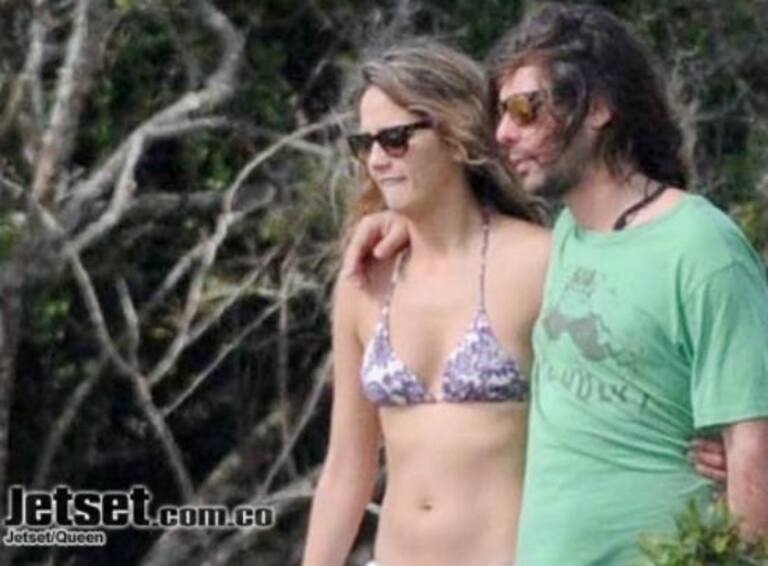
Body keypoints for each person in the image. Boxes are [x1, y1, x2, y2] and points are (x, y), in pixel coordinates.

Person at [340, 4, 768, 566]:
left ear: (599, 107)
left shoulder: (701, 246)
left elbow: (753, 449)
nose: (503, 133)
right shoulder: (565, 238)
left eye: (525, 110)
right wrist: (398, 221)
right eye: (501, 112)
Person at [301, 39, 550, 566]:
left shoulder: (538, 263)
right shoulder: (362, 281)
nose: (376, 160)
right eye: (364, 143)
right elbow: (347, 465)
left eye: (395, 139)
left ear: (456, 135)